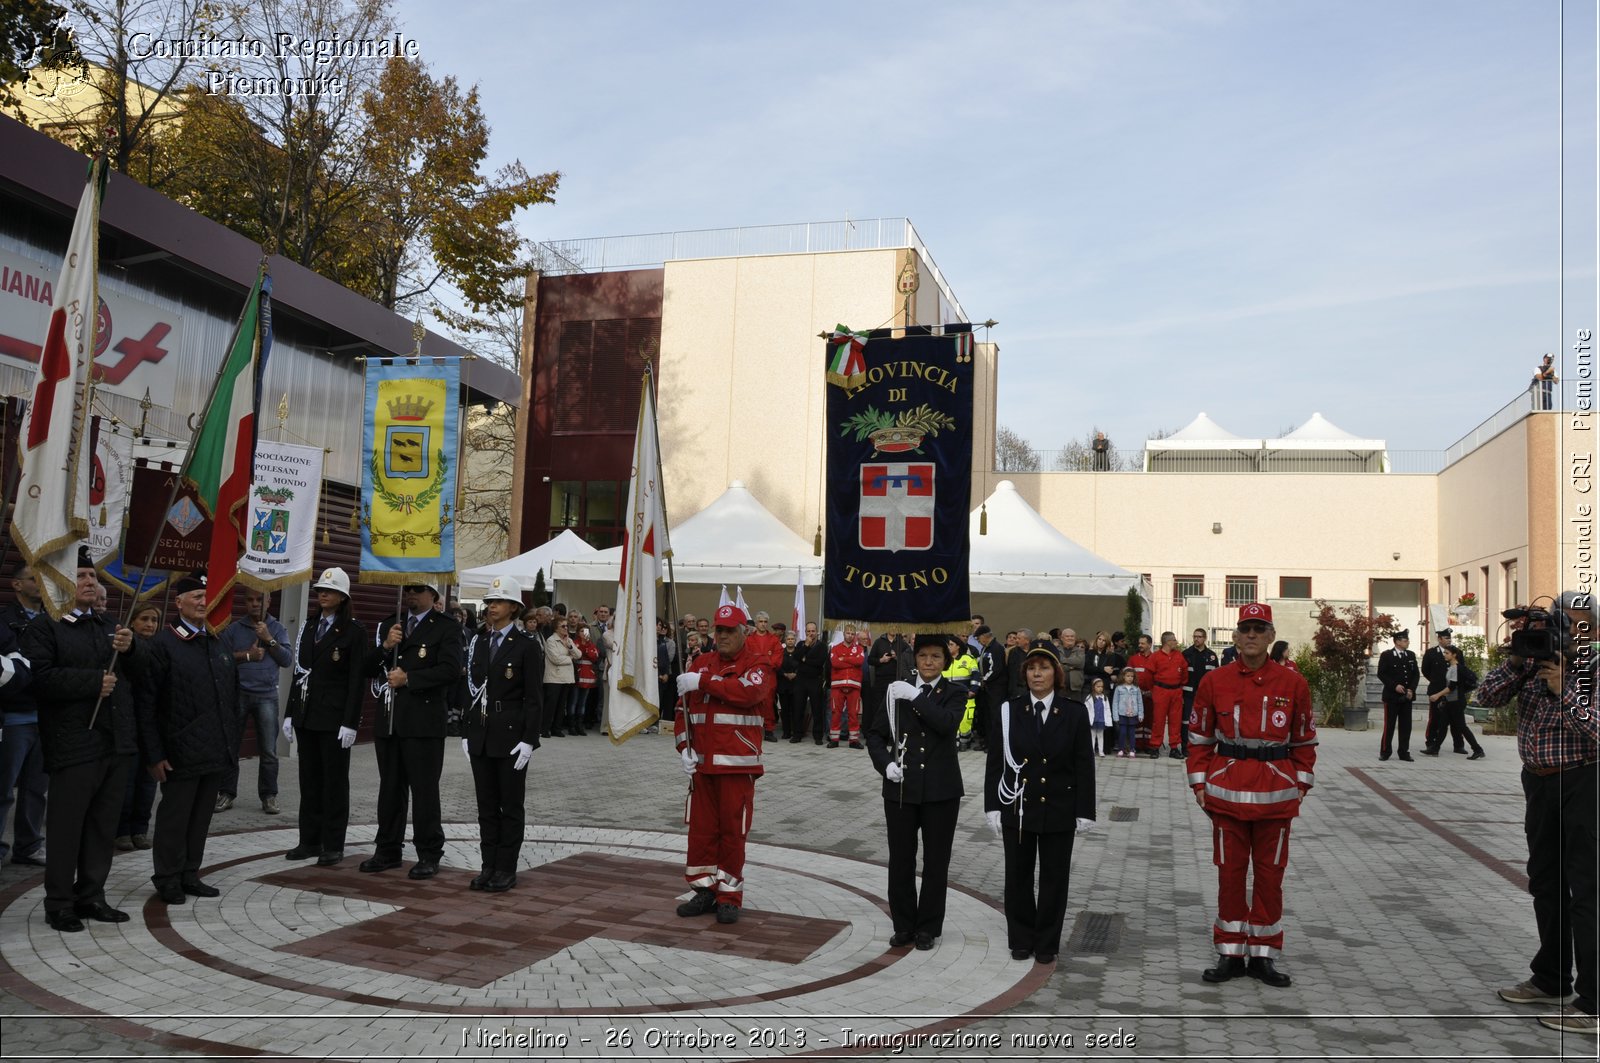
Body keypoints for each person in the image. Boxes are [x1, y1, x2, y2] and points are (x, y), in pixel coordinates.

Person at [1478, 590, 1598, 1034]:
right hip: (1540, 780)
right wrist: (1515, 659)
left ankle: (1594, 1001)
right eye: (1560, 622)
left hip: (1586, 781)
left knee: (1588, 891)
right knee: (1546, 883)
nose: (1565, 631)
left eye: (1576, 623)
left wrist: (1562, 689)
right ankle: (1551, 980)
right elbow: (1486, 698)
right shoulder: (1531, 661)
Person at [1188, 603, 1317, 988]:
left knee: (1269, 877)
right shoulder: (1215, 681)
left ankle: (1262, 955)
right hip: (1226, 795)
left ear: (1271, 636)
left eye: (1259, 629)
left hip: (1276, 797)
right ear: (1235, 634)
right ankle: (1230, 952)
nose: (1251, 636)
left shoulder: (1294, 683)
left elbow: (1305, 739)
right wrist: (1199, 784)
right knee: (1229, 875)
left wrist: (1300, 784)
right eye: (1245, 628)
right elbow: (1198, 739)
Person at [22, 561, 145, 930]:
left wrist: (134, 648)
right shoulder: (46, 626)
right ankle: (59, 902)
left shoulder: (111, 626)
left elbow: (143, 675)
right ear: (59, 581)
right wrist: (91, 682)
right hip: (73, 742)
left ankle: (91, 895)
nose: (90, 581)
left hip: (116, 743)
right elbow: (39, 678)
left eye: (92, 576)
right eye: (80, 576)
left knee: (102, 827)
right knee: (66, 827)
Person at [984, 640, 1095, 965]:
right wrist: (993, 804)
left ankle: (1046, 942)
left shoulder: (1073, 712)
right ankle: (1021, 939)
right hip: (1019, 806)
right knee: (1017, 877)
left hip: (1059, 807)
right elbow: (995, 761)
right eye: (1032, 668)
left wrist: (1085, 810)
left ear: (1055, 673)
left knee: (1053, 879)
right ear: (1025, 673)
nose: (1037, 673)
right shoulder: (1010, 710)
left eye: (1044, 667)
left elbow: (1084, 764)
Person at [137, 571, 238, 905]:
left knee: (200, 819)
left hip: (214, 749)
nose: (202, 601)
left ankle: (189, 873)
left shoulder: (217, 640)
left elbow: (230, 697)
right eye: (196, 596)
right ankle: (166, 876)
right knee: (174, 818)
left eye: (207, 595)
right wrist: (153, 754)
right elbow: (147, 703)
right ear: (178, 602)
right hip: (178, 751)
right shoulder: (163, 644)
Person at [673, 604, 774, 924]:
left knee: (733, 832)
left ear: (743, 631)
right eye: (720, 630)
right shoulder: (701, 662)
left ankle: (729, 895)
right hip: (702, 766)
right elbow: (682, 713)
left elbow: (749, 693)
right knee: (701, 832)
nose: (725, 636)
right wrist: (684, 748)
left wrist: (702, 682)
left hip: (737, 766)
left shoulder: (757, 663)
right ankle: (704, 890)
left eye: (731, 630)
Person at [360, 581, 464, 880]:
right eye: (407, 590)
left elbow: (450, 670)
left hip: (423, 721)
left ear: (433, 595)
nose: (410, 595)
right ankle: (387, 849)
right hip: (390, 719)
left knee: (424, 791)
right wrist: (385, 647)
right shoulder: (391, 624)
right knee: (390, 789)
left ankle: (429, 853)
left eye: (418, 589)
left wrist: (410, 679)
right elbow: (367, 668)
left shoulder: (446, 627)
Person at [867, 634, 964, 951]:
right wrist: (885, 765)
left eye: (936, 656)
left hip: (941, 789)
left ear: (945, 661)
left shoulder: (955, 693)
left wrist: (916, 697)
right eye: (923, 656)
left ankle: (928, 927)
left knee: (936, 862)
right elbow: (876, 736)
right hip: (901, 789)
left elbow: (946, 724)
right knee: (901, 860)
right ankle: (904, 924)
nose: (929, 662)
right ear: (915, 659)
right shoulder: (895, 693)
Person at [459, 576, 540, 891]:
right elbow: (469, 688)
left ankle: (506, 868)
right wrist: (467, 730)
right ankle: (488, 865)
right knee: (486, 806)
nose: (491, 606)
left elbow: (534, 698)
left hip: (510, 735)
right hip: (481, 731)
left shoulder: (525, 647)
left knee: (510, 805)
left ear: (514, 608)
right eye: (489, 601)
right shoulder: (479, 641)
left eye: (498, 601)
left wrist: (529, 740)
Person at [282, 568, 365, 867]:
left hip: (333, 719)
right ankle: (309, 840)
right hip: (307, 715)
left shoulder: (354, 631)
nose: (322, 594)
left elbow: (356, 681)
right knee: (310, 781)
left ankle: (333, 843)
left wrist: (350, 722)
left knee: (334, 784)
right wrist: (290, 713)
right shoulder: (309, 626)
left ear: (343, 597)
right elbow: (300, 672)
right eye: (319, 590)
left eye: (328, 590)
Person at [216, 588, 291, 815]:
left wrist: (269, 640)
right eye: (250, 599)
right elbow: (220, 658)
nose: (255, 603)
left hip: (266, 695)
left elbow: (287, 660)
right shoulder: (234, 629)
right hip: (238, 693)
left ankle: (269, 796)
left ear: (268, 601)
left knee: (268, 750)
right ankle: (227, 793)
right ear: (244, 602)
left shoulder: (277, 628)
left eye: (260, 599)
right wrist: (246, 656)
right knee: (231, 747)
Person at [0, 564, 48, 869]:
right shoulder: (4, 621)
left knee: (36, 789)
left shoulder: (53, 621)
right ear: (17, 585)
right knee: (3, 790)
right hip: (13, 718)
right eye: (35, 579)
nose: (42, 584)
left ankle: (28, 845)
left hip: (44, 716)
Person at [114, 603, 164, 852]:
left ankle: (140, 828)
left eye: (154, 620)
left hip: (152, 726)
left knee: (147, 782)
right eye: (144, 619)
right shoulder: (123, 648)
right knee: (128, 781)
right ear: (132, 621)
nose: (150, 624)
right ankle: (122, 830)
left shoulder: (160, 649)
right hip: (129, 724)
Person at [1430, 644, 1484, 760]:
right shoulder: (1451, 667)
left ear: (1454, 655)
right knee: (1443, 724)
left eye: (1447, 653)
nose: (1444, 655)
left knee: (1461, 726)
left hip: (1456, 701)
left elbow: (1452, 687)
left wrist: (1437, 695)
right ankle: (1435, 748)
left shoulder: (1456, 668)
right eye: (1444, 653)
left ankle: (1477, 749)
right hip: (1451, 700)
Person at [1377, 630, 1419, 762]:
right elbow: (1381, 674)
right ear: (1397, 642)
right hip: (1391, 697)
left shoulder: (1411, 655)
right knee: (1389, 725)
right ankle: (1385, 751)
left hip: (1407, 697)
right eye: (1405, 640)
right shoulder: (1387, 655)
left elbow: (1415, 674)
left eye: (1407, 640)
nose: (1408, 642)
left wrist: (1411, 689)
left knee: (1406, 726)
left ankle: (1404, 751)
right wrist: (1394, 685)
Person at [1421, 628, 1460, 755]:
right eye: (1446, 638)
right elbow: (1425, 670)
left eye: (1450, 638)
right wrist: (1435, 681)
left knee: (1455, 719)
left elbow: (1461, 669)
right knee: (1435, 718)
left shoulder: (1456, 652)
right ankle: (1431, 743)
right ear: (1439, 639)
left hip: (1452, 691)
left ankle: (1458, 745)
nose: (1449, 640)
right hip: (1436, 690)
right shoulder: (1431, 653)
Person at [1149, 631, 1188, 760]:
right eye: (1174, 640)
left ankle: (1174, 747)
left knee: (1175, 720)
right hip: (1161, 690)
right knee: (1158, 720)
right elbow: (1149, 676)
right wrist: (1153, 689)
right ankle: (1155, 746)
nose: (1176, 642)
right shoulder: (1156, 656)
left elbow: (1184, 674)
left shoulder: (1179, 656)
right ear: (1167, 642)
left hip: (1176, 691)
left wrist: (1179, 686)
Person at [540, 615, 579, 738]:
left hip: (567, 677)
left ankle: (557, 728)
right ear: (556, 628)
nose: (566, 628)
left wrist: (570, 647)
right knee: (551, 705)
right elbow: (555, 659)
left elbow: (578, 655)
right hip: (554, 678)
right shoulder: (551, 640)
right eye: (563, 626)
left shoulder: (568, 640)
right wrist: (570, 658)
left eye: (567, 626)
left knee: (562, 705)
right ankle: (545, 729)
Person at [1181, 628, 1219, 758]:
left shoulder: (1212, 656)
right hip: (1189, 695)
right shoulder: (1186, 654)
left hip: (1205, 696)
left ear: (1205, 638)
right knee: (1187, 721)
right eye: (1195, 636)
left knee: (1205, 722)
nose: (1196, 639)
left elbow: (1216, 677)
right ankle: (1185, 747)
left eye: (1199, 636)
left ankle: (1203, 747)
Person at [828, 624, 866, 748]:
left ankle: (854, 741)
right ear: (844, 634)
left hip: (854, 686)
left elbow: (859, 661)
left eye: (852, 633)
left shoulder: (859, 649)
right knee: (836, 712)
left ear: (855, 636)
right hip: (837, 685)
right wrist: (851, 660)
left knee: (853, 713)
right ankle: (834, 739)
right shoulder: (835, 648)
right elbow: (835, 663)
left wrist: (844, 658)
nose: (850, 635)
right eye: (848, 633)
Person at [943, 635, 981, 748]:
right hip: (948, 695)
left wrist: (973, 690)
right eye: (947, 645)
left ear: (958, 646)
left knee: (965, 720)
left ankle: (965, 740)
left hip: (966, 695)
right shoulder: (944, 660)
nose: (948, 647)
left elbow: (976, 675)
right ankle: (954, 741)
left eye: (951, 645)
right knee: (949, 719)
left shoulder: (968, 659)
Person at [1126, 634, 1156, 753]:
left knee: (1149, 720)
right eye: (1139, 643)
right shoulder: (1133, 659)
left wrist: (1152, 692)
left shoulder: (1155, 658)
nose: (1140, 645)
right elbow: (1127, 675)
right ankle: (1137, 744)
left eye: (1142, 643)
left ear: (1149, 644)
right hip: (1135, 696)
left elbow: (1159, 677)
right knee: (1137, 720)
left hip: (1150, 696)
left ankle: (1149, 744)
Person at [1112, 667, 1142, 758]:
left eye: (1132, 676)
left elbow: (1140, 702)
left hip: (1133, 714)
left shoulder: (1136, 688)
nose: (1130, 678)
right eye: (1128, 676)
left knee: (1132, 733)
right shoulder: (1119, 688)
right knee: (1122, 732)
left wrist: (1141, 714)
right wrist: (1115, 716)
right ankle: (1121, 749)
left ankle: (1132, 749)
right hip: (1122, 714)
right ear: (1123, 676)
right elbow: (1115, 702)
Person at [1084, 677, 1112, 757]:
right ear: (1093, 687)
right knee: (1092, 736)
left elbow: (1107, 709)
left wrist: (1108, 719)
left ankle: (1101, 751)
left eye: (1101, 687)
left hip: (1101, 720)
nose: (1100, 689)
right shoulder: (1089, 698)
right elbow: (1086, 709)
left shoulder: (1105, 698)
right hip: (1093, 720)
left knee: (1100, 736)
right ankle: (1091, 751)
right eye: (1098, 687)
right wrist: (1087, 720)